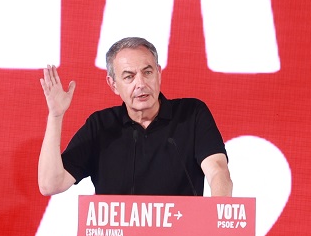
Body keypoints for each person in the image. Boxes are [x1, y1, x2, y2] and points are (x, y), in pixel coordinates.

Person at [38, 36, 231, 196]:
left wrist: (216, 222)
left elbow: (218, 171)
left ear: (159, 73)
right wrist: (55, 116)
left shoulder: (191, 114)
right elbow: (50, 185)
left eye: (147, 72)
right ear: (113, 84)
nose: (141, 84)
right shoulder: (101, 125)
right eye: (129, 77)